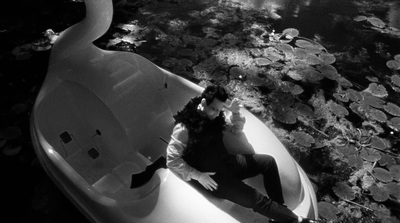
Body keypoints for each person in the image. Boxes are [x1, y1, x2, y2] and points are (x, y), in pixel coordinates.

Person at [166, 84, 317, 223]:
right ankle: (297, 221)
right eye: (213, 109)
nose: (216, 113)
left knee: (268, 162)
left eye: (219, 110)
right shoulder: (184, 128)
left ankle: (280, 212)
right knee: (257, 200)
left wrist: (235, 112)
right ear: (204, 103)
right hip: (213, 178)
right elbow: (172, 160)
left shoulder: (215, 117)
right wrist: (198, 176)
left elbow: (236, 130)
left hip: (227, 163)